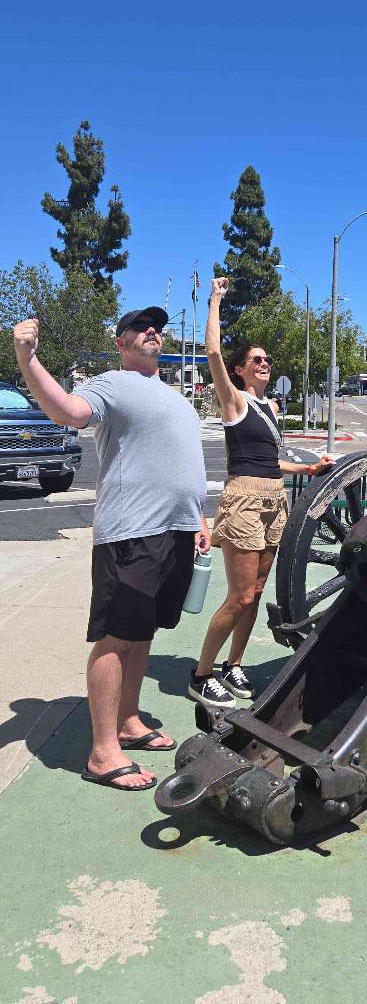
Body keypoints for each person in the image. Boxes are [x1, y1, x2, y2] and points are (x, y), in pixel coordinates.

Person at [13, 307, 211, 792]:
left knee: (142, 633)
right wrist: (27, 358)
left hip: (176, 530)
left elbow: (179, 460)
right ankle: (103, 752)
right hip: (132, 531)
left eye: (157, 328)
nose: (153, 332)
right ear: (121, 342)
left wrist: (198, 518)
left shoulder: (172, 394)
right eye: (141, 327)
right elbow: (68, 412)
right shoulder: (111, 382)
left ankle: (127, 721)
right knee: (116, 637)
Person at [189, 276, 333, 707]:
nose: (263, 363)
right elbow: (212, 350)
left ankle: (234, 665)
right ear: (239, 369)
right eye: (255, 359)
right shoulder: (234, 400)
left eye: (267, 358)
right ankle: (201, 673)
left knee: (257, 592)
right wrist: (215, 300)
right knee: (239, 596)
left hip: (275, 498)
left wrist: (307, 467)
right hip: (245, 501)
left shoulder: (271, 408)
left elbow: (272, 461)